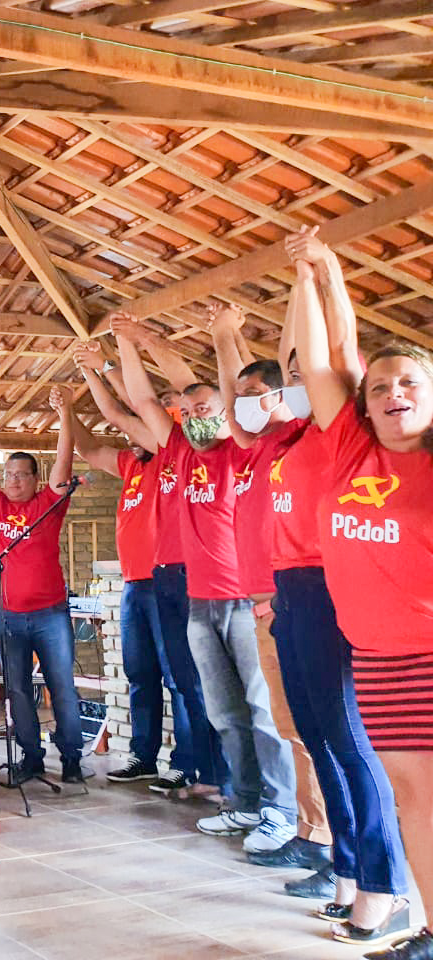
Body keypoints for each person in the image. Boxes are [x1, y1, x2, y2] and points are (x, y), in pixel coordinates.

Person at [116, 312, 298, 852]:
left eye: (206, 409)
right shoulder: (177, 448)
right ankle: (245, 802)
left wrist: (153, 339)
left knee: (263, 711)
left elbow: (215, 386)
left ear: (229, 412)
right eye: (189, 411)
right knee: (224, 712)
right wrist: (125, 343)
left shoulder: (243, 449)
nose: (195, 417)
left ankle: (282, 810)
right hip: (200, 604)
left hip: (244, 602)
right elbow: (144, 400)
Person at [295, 234, 430, 957]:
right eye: (379, 388)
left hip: (429, 653)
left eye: (408, 383)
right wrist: (320, 272)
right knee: (412, 797)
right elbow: (330, 359)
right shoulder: (353, 449)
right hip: (377, 659)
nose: (392, 393)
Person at [209, 300, 336, 874]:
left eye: (256, 394)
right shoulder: (262, 446)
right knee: (293, 729)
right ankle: (311, 833)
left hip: (296, 601)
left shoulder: (303, 435)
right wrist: (223, 340)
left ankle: (327, 839)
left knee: (317, 731)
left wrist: (302, 289)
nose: (242, 406)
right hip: (264, 605)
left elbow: (295, 364)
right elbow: (236, 409)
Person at [69, 344, 219, 797]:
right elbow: (89, 447)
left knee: (180, 677)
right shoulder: (133, 465)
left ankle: (188, 762)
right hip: (135, 584)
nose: (133, 434)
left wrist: (102, 368)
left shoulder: (177, 453)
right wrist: (66, 410)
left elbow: (122, 411)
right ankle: (143, 755)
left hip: (171, 579)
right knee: (139, 674)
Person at [0, 388, 85, 784]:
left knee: (61, 687)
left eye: (21, 475)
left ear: (35, 479)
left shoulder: (49, 502)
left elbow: (64, 461)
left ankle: (71, 758)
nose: (13, 481)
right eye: (8, 475)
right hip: (6, 614)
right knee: (16, 690)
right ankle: (32, 757)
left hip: (50, 613)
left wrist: (64, 413)